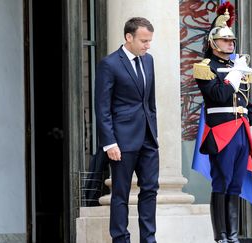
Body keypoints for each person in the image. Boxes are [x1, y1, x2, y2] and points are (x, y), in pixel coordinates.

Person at [193, 2, 252, 243]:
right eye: (225, 40)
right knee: (221, 182)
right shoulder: (204, 67)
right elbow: (219, 96)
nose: (231, 43)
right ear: (213, 42)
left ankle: (233, 236)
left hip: (241, 131)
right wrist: (236, 73)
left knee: (235, 183)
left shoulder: (237, 67)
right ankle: (220, 236)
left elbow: (247, 104)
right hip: (222, 132)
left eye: (232, 40)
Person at [94, 17, 159, 243]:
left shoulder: (148, 61)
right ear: (128, 37)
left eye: (149, 41)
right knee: (120, 194)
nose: (147, 45)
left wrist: (154, 133)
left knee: (150, 190)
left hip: (148, 139)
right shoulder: (109, 64)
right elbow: (102, 107)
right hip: (122, 141)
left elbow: (150, 103)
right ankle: (121, 239)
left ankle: (149, 239)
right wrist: (109, 143)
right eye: (143, 40)